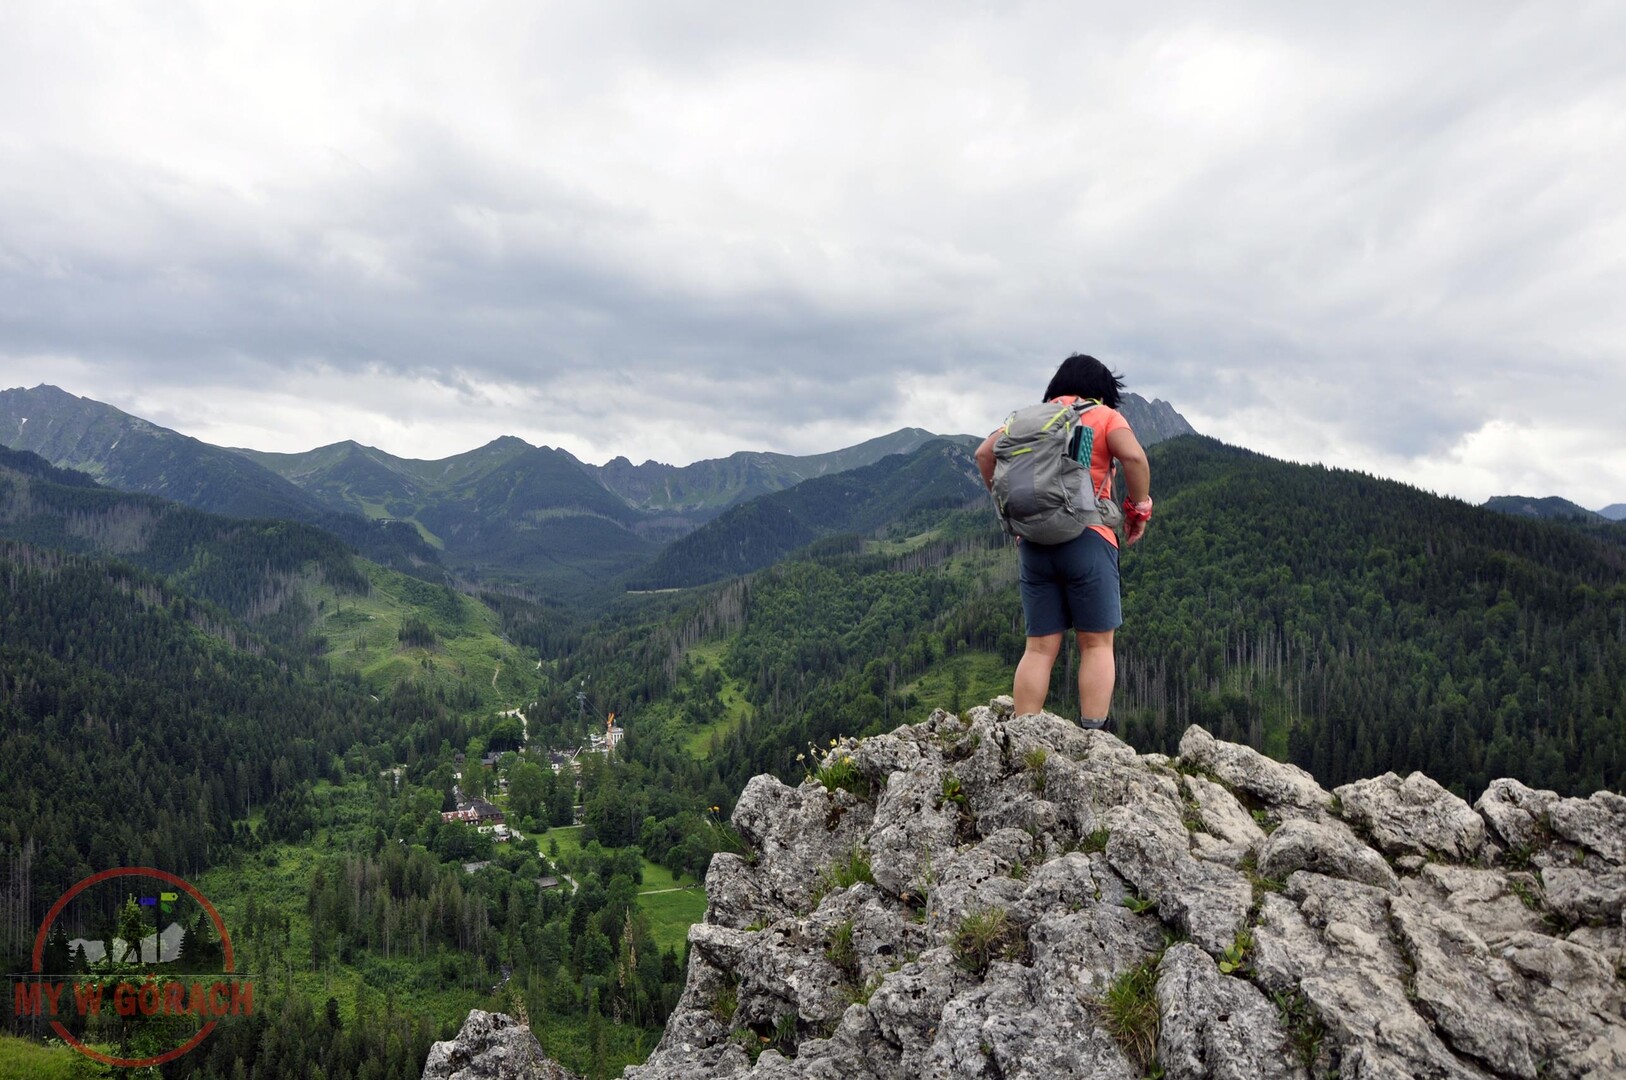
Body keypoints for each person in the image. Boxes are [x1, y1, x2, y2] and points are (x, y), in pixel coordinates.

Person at [975, 353, 1152, 729]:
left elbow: (984, 454)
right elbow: (1134, 458)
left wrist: (1014, 508)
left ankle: (1023, 734)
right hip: (1088, 538)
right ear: (1102, 391)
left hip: (1033, 544)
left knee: (1039, 648)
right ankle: (1093, 734)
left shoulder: (1026, 420)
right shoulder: (1102, 416)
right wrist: (1139, 509)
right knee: (1096, 644)